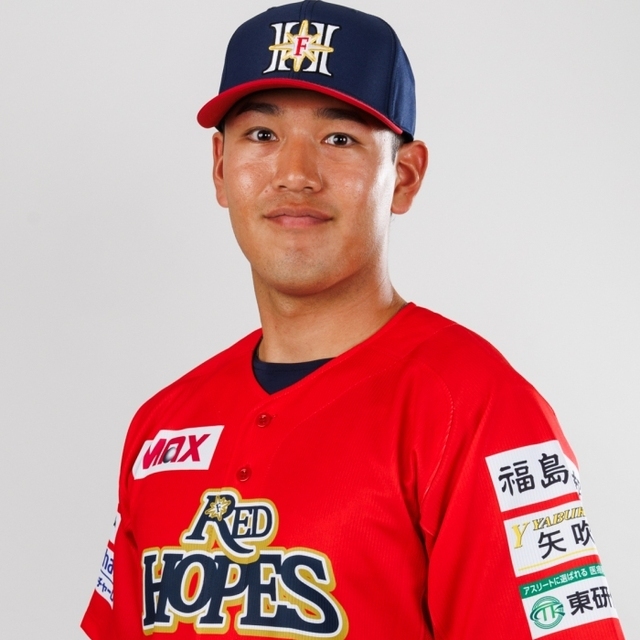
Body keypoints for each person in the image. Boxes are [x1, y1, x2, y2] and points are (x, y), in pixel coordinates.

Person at [81, 1, 625, 638]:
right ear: (220, 167)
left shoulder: (479, 409)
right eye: (262, 135)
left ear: (405, 176)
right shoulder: (162, 425)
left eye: (339, 139)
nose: (295, 175)